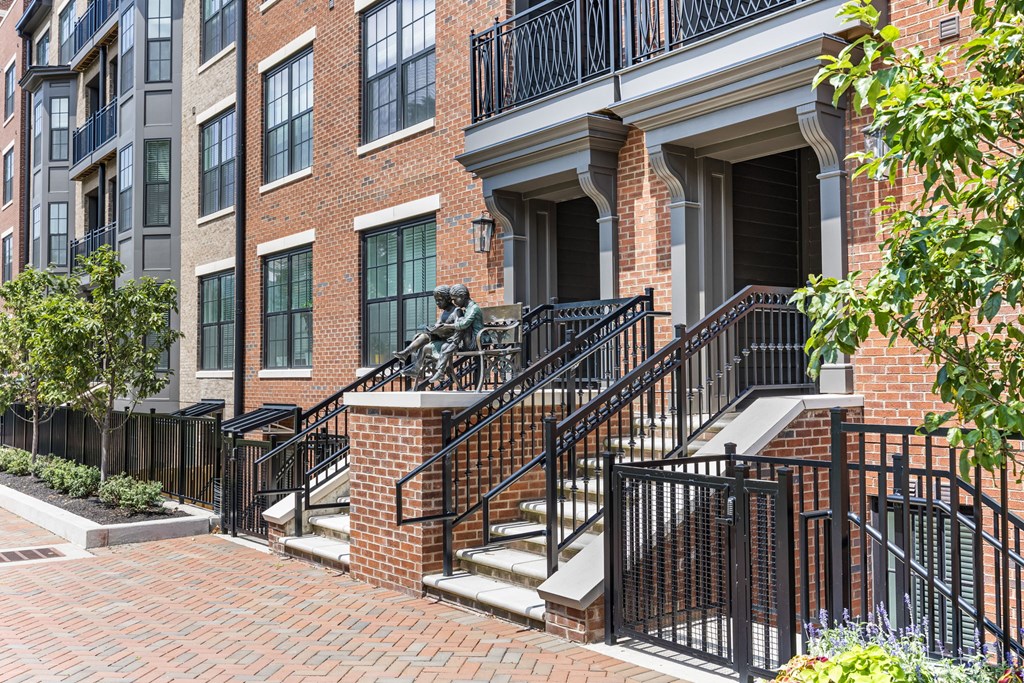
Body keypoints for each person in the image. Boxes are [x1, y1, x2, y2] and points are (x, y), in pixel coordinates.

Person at [395, 286, 460, 376]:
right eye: (436, 300)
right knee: (424, 336)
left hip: (449, 342)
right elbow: (437, 325)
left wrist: (444, 328)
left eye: (440, 300)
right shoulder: (444, 312)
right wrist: (433, 329)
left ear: (448, 299)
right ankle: (406, 353)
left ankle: (415, 368)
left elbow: (459, 327)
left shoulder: (456, 311)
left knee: (424, 348)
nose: (437, 303)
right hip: (440, 338)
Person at [429, 284, 483, 384]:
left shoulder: (474, 308)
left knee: (462, 325)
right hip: (466, 340)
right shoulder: (467, 308)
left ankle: (453, 344)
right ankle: (440, 371)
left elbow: (464, 324)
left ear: (462, 296)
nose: (454, 303)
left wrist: (447, 326)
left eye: (455, 299)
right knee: (445, 346)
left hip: (476, 341)